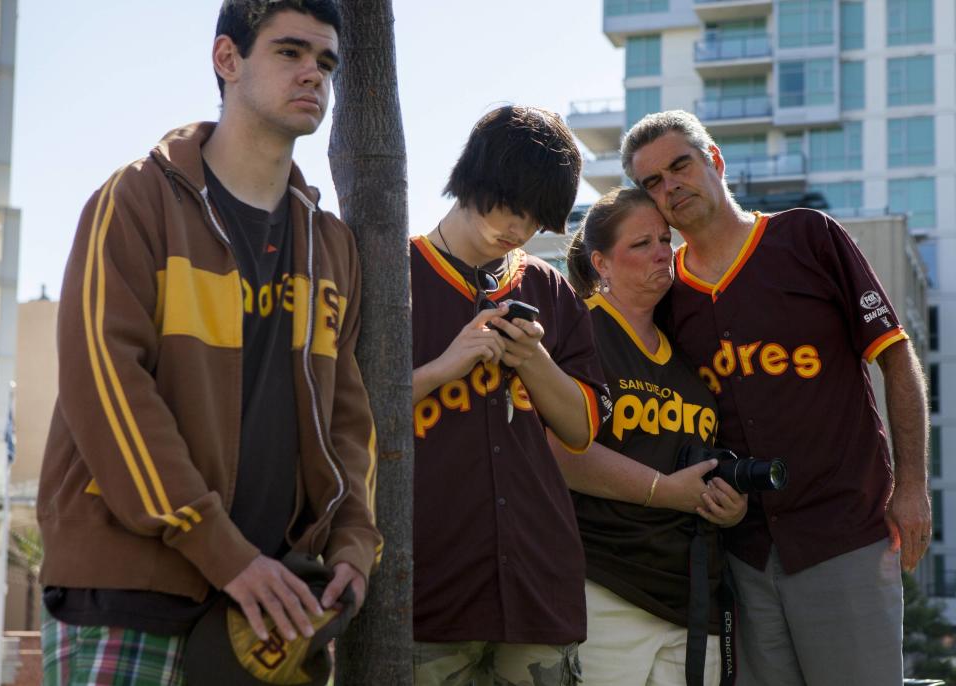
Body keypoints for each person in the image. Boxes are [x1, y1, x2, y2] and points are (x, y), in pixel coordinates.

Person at [36, 2, 381, 684]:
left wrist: (352, 544)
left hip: (270, 616)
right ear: (228, 60)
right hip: (131, 594)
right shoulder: (136, 201)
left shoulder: (331, 246)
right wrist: (218, 548)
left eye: (326, 61)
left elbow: (348, 419)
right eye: (289, 52)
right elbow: (106, 388)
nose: (313, 73)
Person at [621, 109, 930, 686]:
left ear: (714, 160)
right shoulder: (665, 298)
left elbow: (896, 358)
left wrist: (911, 487)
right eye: (652, 184)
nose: (670, 188)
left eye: (680, 166)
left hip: (844, 535)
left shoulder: (808, 236)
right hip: (744, 553)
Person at [410, 105, 611, 686]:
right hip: (426, 591)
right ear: (474, 177)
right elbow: (343, 413)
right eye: (511, 206)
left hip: (537, 588)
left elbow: (581, 430)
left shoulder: (547, 286)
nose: (519, 229)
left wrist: (534, 360)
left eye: (537, 219)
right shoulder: (391, 271)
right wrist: (446, 366)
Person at [551, 186, 746, 686]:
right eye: (641, 244)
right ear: (602, 262)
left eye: (665, 238)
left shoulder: (687, 349)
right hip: (606, 588)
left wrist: (731, 504)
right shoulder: (578, 334)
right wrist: (665, 491)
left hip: (696, 598)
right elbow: (558, 452)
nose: (663, 251)